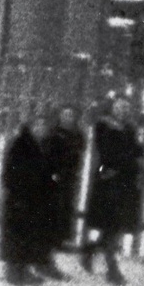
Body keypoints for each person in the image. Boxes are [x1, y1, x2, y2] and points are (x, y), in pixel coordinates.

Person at [81, 97, 144, 286]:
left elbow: (137, 149)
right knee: (112, 224)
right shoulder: (104, 126)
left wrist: (140, 157)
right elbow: (108, 154)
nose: (123, 111)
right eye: (119, 107)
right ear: (112, 109)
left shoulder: (129, 128)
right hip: (107, 180)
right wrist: (133, 161)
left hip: (125, 183)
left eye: (126, 107)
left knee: (115, 225)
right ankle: (112, 268)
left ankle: (89, 250)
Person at [0, 115, 58, 286]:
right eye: (37, 125)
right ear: (30, 127)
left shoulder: (44, 146)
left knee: (30, 235)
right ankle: (12, 271)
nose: (40, 129)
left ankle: (24, 270)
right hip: (19, 197)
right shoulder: (20, 144)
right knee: (16, 234)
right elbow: (10, 172)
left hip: (36, 199)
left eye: (43, 126)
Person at [46, 105, 87, 252]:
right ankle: (50, 239)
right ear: (59, 116)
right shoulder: (53, 133)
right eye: (65, 115)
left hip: (70, 175)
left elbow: (80, 151)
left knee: (67, 207)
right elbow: (49, 154)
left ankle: (62, 240)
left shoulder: (78, 134)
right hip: (55, 175)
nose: (68, 118)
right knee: (54, 206)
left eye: (71, 115)